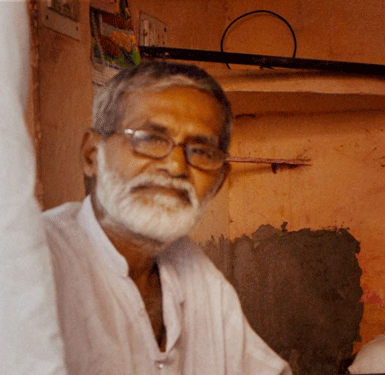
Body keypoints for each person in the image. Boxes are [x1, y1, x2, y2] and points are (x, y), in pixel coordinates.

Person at [43, 61, 292, 375]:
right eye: (148, 139)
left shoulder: (194, 272)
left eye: (200, 151)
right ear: (92, 155)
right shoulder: (33, 262)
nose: (176, 166)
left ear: (218, 183)